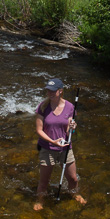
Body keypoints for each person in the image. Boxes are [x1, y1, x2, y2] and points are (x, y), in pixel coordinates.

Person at [34, 77, 86, 211]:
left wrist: (73, 126)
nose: (50, 93)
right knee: (44, 181)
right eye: (48, 91)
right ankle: (40, 200)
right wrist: (52, 141)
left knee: (73, 179)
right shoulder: (43, 106)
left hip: (65, 147)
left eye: (53, 91)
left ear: (60, 91)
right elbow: (39, 130)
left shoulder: (70, 107)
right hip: (47, 147)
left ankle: (75, 193)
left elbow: (70, 128)